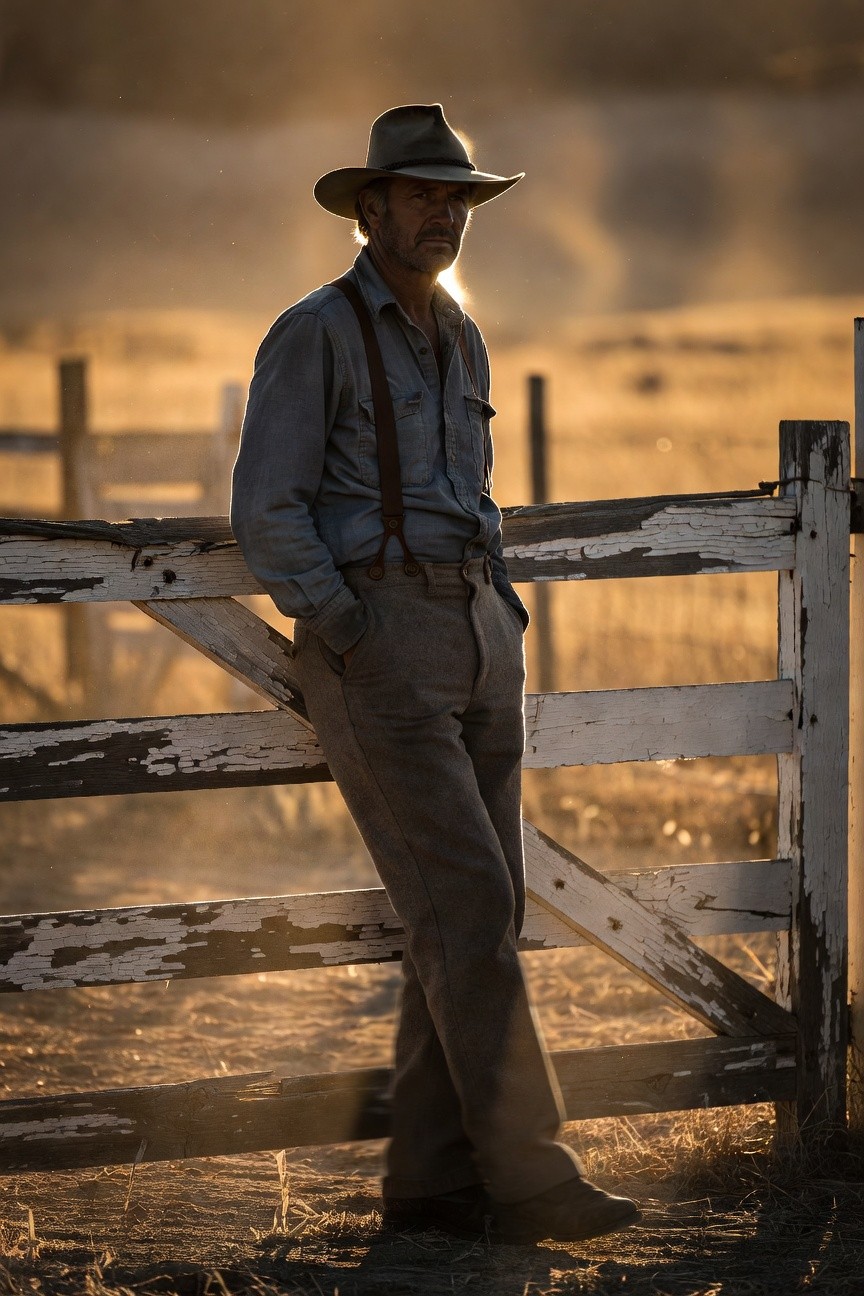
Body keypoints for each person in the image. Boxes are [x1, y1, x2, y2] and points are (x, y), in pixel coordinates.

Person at [231, 103, 640, 1245]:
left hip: (477, 632)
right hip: (383, 645)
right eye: (421, 195)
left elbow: (475, 490)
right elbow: (266, 509)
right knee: (466, 902)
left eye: (457, 197)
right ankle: (530, 1177)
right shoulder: (314, 332)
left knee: (474, 910)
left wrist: (497, 604)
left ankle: (428, 1182)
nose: (444, 215)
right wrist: (347, 628)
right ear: (369, 210)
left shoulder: (462, 333)